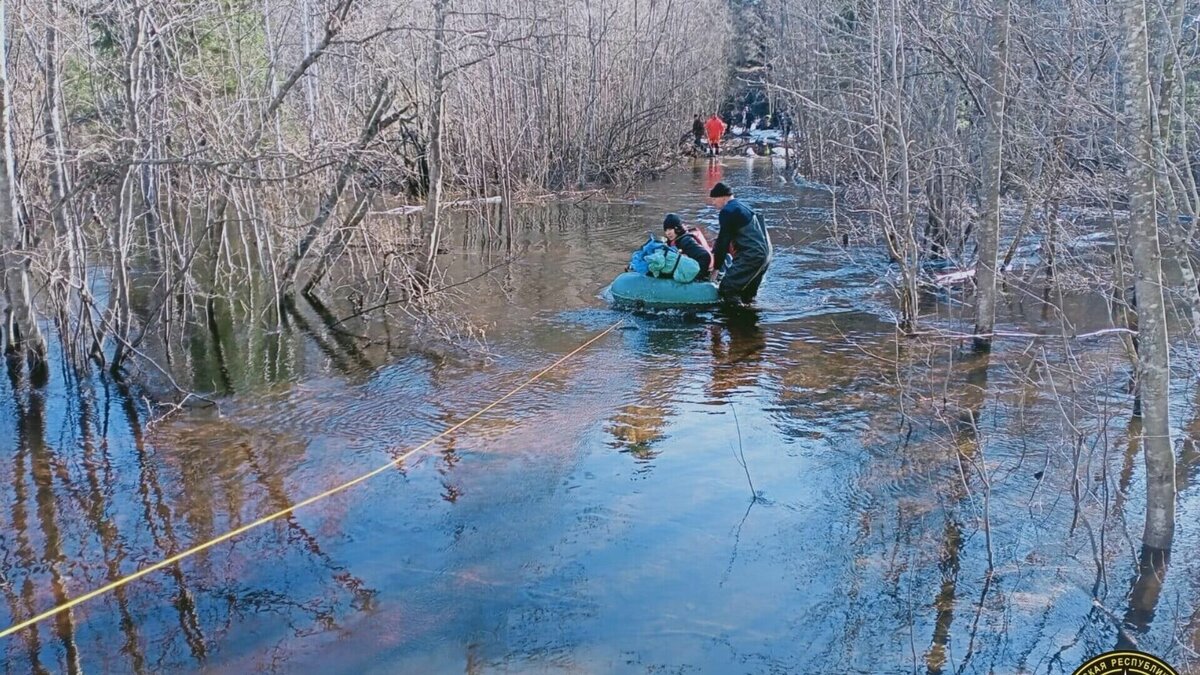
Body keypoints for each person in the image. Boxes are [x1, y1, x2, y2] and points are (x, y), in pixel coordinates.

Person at [707, 182, 772, 303]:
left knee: (727, 289)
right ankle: (749, 317)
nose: (713, 203)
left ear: (723, 197)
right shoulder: (741, 207)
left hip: (752, 256)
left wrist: (716, 269)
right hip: (765, 255)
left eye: (714, 199)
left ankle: (732, 318)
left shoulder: (727, 211)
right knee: (747, 295)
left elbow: (723, 242)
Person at [662, 213, 714, 279]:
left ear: (677, 228)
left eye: (670, 229)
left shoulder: (686, 241)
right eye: (666, 230)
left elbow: (705, 256)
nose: (667, 233)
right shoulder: (677, 239)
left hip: (702, 272)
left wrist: (697, 276)